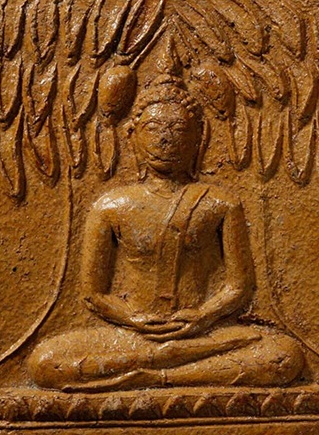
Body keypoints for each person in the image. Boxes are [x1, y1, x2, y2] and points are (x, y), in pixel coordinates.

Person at [28, 73, 304, 391]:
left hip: (201, 334)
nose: (165, 139)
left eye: (179, 130)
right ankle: (166, 359)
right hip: (132, 336)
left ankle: (160, 375)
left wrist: (202, 316)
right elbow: (93, 294)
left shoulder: (220, 203)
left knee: (284, 355)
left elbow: (238, 286)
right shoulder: (111, 206)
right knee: (45, 362)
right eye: (153, 129)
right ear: (132, 136)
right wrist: (132, 319)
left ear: (198, 138)